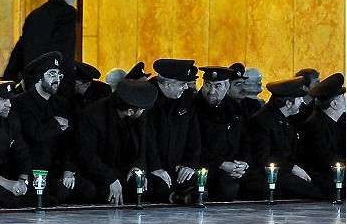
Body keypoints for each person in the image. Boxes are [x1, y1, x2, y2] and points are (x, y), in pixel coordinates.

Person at [13, 52, 96, 204]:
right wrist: (56, 123)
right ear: (39, 77)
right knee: (55, 197)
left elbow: (70, 141)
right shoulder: (21, 103)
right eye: (52, 74)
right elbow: (35, 134)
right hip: (33, 169)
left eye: (59, 75)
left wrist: (69, 169)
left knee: (89, 190)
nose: (56, 79)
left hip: (57, 168)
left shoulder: (62, 104)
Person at [78, 79, 158, 205]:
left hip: (124, 171)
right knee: (95, 192)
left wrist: (137, 168)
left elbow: (142, 148)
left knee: (152, 187)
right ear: (130, 111)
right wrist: (110, 178)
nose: (143, 113)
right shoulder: (93, 115)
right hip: (98, 172)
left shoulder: (138, 118)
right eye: (141, 110)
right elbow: (88, 156)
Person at [249, 76, 322, 199]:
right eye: (299, 99)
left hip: (286, 170)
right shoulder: (262, 121)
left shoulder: (287, 118)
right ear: (288, 103)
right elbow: (262, 158)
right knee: (315, 193)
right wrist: (292, 168)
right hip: (270, 175)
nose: (302, 102)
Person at [194, 67, 258, 201]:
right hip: (208, 165)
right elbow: (195, 146)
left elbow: (245, 140)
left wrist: (243, 163)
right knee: (228, 189)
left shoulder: (234, 108)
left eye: (218, 86)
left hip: (234, 165)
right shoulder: (194, 107)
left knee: (263, 185)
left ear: (227, 86)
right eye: (208, 85)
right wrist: (221, 164)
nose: (212, 91)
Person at [3, 0, 77, 91]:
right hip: (54, 81)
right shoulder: (67, 12)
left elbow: (21, 47)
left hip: (31, 78)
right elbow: (64, 48)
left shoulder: (34, 15)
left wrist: (8, 78)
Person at [148, 58, 201, 203]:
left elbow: (193, 135)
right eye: (182, 84)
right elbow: (146, 137)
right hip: (152, 166)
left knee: (199, 181)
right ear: (168, 83)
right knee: (157, 186)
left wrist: (190, 164)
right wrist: (155, 167)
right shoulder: (147, 98)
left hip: (177, 165)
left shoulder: (186, 98)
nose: (185, 87)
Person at [298, 73, 346, 198]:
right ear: (334, 104)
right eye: (343, 98)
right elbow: (325, 159)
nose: (345, 101)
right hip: (324, 176)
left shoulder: (341, 121)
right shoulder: (315, 125)